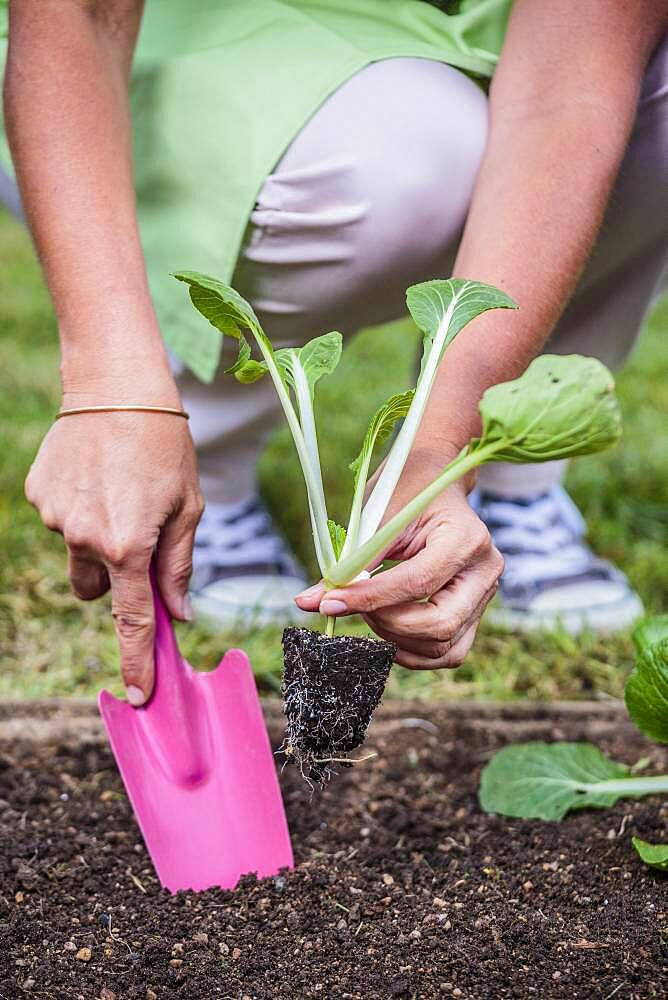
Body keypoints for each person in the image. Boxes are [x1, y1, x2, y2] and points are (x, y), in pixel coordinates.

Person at [2, 1, 666, 705]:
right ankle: (208, 465)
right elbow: (81, 14)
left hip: (481, 31)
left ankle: (502, 485)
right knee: (409, 147)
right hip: (157, 47)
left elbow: (568, 92)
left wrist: (440, 449)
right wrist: (113, 389)